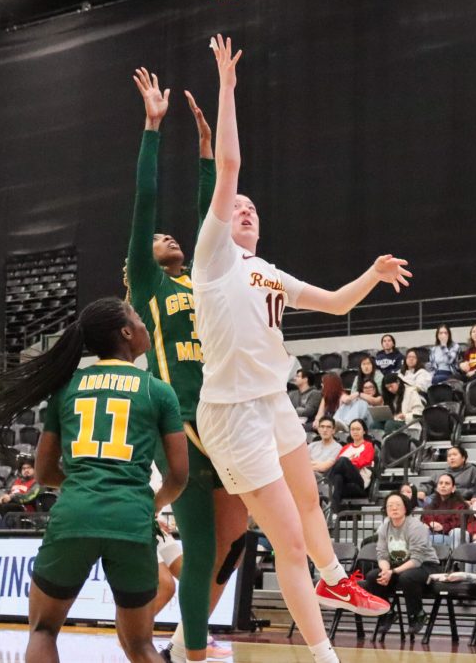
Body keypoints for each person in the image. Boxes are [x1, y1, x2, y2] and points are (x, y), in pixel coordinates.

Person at [190, 36, 395, 663]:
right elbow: (228, 169)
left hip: (271, 399)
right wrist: (226, 87)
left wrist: (373, 271)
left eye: (252, 208)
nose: (244, 209)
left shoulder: (270, 272)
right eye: (237, 208)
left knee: (310, 502)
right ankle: (322, 653)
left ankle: (334, 577)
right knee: (286, 539)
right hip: (229, 413)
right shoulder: (213, 256)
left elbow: (335, 303)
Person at [0, 296, 189, 663]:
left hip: (74, 515)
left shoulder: (67, 387)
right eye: (137, 316)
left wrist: (81, 486)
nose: (144, 323)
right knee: (141, 646)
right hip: (132, 520)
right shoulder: (157, 390)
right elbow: (178, 475)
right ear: (125, 332)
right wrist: (152, 503)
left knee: (43, 631)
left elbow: (44, 473)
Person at [124, 66, 247, 663]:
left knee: (236, 537)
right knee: (200, 547)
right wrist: (153, 129)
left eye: (173, 237)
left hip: (230, 413)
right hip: (185, 421)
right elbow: (145, 204)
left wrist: (206, 151)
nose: (168, 236)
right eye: (159, 238)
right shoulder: (146, 284)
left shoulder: (203, 278)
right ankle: (190, 653)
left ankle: (181, 642)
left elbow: (211, 221)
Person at [360, 493, 440, 636]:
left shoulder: (416, 526)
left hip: (425, 565)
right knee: (373, 576)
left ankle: (417, 615)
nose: (393, 508)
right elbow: (382, 553)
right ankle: (387, 613)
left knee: (407, 577)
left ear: (405, 508)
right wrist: (386, 571)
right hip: (398, 566)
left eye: (397, 505)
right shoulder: (384, 527)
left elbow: (417, 559)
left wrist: (394, 572)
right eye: (390, 506)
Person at [324, 419, 375, 514]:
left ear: (364, 431)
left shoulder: (368, 446)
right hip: (344, 482)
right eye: (352, 429)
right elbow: (338, 466)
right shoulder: (346, 448)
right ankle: (334, 513)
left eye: (358, 429)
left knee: (343, 460)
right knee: (338, 477)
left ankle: (326, 481)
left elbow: (364, 461)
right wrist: (348, 462)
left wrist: (349, 462)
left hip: (358, 481)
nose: (355, 432)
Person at [420, 474, 476, 548]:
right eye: (440, 483)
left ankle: (456, 558)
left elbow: (458, 523)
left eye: (447, 483)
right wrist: (431, 522)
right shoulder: (432, 503)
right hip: (434, 534)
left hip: (451, 536)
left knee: (456, 532)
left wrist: (443, 527)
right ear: (437, 488)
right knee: (422, 530)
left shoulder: (460, 505)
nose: (443, 486)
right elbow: (426, 515)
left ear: (453, 488)